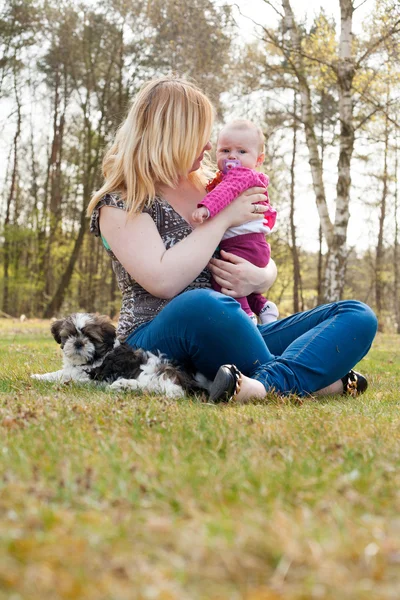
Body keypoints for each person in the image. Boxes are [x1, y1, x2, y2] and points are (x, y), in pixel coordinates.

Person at [87, 75, 377, 403]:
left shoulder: (212, 184)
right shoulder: (121, 201)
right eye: (201, 136)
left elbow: (257, 247)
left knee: (356, 314)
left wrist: (260, 276)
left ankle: (264, 385)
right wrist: (224, 216)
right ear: (173, 137)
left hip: (235, 326)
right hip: (157, 337)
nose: (209, 147)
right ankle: (316, 380)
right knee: (201, 304)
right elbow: (163, 281)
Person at [191, 119, 279, 325]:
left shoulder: (241, 176)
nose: (232, 156)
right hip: (252, 245)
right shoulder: (223, 177)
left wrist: (206, 208)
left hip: (243, 243)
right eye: (225, 150)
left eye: (241, 152)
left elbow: (225, 192)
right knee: (237, 280)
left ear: (259, 159)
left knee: (224, 280)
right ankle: (263, 306)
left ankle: (245, 315)